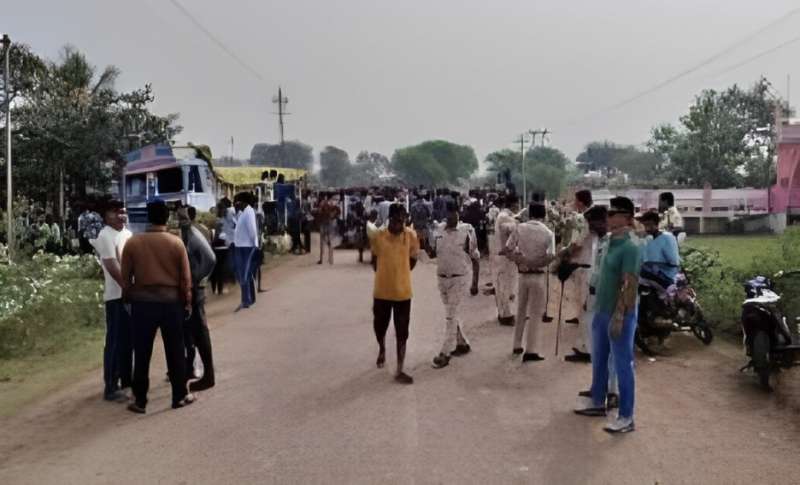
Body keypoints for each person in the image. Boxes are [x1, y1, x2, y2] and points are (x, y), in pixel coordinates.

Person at [574, 196, 641, 434]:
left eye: (613, 214)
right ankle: (597, 401)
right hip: (602, 309)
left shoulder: (631, 246)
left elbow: (629, 284)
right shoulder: (609, 241)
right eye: (608, 214)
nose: (608, 218)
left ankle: (626, 416)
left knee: (623, 364)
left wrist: (620, 315)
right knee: (599, 358)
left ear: (626, 217)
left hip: (619, 312)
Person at [121, 200, 195, 413]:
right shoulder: (176, 243)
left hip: (143, 304)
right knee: (175, 351)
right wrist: (187, 301)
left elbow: (126, 278)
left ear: (148, 217)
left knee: (142, 353)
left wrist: (128, 299)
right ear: (167, 218)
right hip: (171, 304)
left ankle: (140, 401)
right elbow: (185, 279)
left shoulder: (133, 243)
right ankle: (179, 395)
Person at [576, 205, 620, 409]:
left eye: (593, 223)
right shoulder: (599, 242)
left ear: (604, 221)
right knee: (596, 349)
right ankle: (598, 386)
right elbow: (595, 272)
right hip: (594, 296)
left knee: (609, 350)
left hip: (607, 300)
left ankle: (612, 392)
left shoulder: (613, 242)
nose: (591, 227)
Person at [371, 203, 419, 384]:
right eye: (398, 220)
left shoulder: (411, 236)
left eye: (403, 220)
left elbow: (413, 259)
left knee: (402, 332)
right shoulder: (379, 236)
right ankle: (382, 348)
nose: (401, 223)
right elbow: (374, 260)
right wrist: (386, 274)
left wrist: (401, 273)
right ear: (390, 219)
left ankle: (400, 368)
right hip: (382, 292)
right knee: (379, 326)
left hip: (403, 293)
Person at [426, 200, 478, 369]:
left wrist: (475, 283)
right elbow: (432, 252)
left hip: (459, 278)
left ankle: (445, 352)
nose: (451, 216)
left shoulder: (467, 230)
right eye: (448, 213)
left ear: (458, 213)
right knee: (451, 313)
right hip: (442, 278)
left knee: (451, 314)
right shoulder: (438, 230)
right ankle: (462, 343)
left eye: (454, 213)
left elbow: (475, 257)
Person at [503, 202, 556, 362]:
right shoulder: (548, 233)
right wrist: (535, 263)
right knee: (535, 313)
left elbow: (507, 249)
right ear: (544, 215)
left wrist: (521, 261)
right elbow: (551, 256)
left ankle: (516, 344)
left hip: (523, 274)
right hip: (538, 275)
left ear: (529, 214)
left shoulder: (519, 228)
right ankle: (531, 350)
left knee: (521, 310)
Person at [94, 200, 133, 401]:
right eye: (117, 212)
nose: (121, 216)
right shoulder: (105, 235)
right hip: (116, 297)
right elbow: (111, 266)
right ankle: (110, 386)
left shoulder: (127, 234)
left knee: (129, 341)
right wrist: (127, 288)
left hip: (129, 295)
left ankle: (126, 380)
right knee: (115, 342)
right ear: (106, 215)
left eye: (123, 212)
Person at [178, 208, 217, 392]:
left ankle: (208, 376)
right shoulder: (186, 234)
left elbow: (210, 258)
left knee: (200, 331)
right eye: (178, 218)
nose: (180, 221)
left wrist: (196, 279)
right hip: (191, 288)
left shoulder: (193, 234)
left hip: (195, 289)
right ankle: (192, 369)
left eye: (183, 218)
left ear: (189, 219)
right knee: (192, 331)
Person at [562, 189, 594, 363]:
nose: (574, 204)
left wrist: (564, 254)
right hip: (590, 264)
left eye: (575, 201)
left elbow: (578, 243)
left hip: (583, 265)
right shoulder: (595, 217)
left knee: (585, 308)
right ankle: (585, 346)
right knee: (586, 307)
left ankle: (586, 349)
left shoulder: (585, 218)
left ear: (580, 202)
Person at [492, 195, 519, 326]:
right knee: (505, 286)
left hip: (506, 256)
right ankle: (505, 315)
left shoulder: (505, 216)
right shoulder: (504, 217)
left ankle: (505, 313)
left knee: (507, 285)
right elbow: (512, 230)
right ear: (514, 204)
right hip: (504, 256)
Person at [639, 210, 680, 289]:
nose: (647, 228)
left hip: (666, 275)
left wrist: (651, 265)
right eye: (645, 225)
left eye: (650, 225)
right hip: (648, 275)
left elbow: (674, 263)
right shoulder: (646, 239)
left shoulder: (667, 238)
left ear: (656, 224)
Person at [233, 192, 259, 311]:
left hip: (246, 247)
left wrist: (255, 245)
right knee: (246, 274)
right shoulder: (244, 212)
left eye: (237, 202)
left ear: (243, 202)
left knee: (243, 274)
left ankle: (245, 300)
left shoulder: (249, 212)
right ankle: (251, 298)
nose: (236, 204)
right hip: (241, 246)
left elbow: (252, 230)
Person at [317, 194, 341, 265]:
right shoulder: (333, 204)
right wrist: (333, 215)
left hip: (323, 224)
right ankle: (331, 260)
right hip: (330, 223)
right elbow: (338, 211)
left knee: (322, 242)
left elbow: (319, 212)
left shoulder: (322, 203)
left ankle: (321, 259)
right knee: (330, 242)